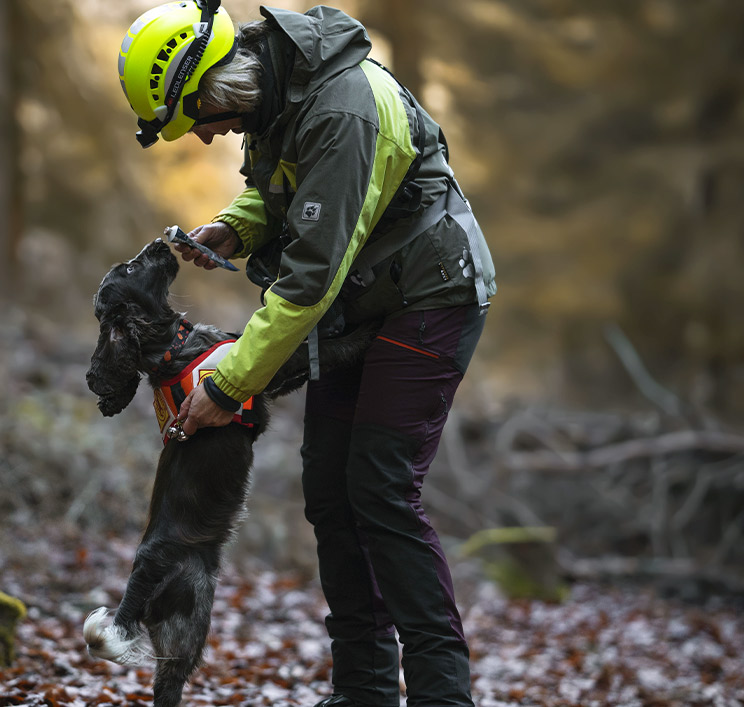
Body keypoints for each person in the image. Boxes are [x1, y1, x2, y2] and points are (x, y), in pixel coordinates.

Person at [118, 2, 496, 706]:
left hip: (431, 294)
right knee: (330, 492)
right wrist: (234, 227)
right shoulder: (275, 93)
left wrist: (226, 385)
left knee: (380, 491)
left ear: (214, 79)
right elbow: (285, 196)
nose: (204, 135)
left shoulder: (343, 109)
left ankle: (444, 694)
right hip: (362, 300)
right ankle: (364, 692)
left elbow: (309, 279)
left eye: (197, 116)